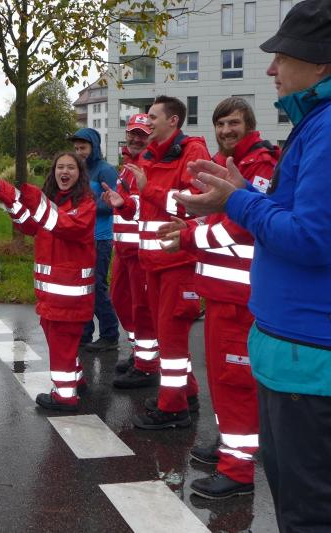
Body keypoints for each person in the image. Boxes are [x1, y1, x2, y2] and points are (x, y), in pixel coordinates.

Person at [174, 1, 331, 527]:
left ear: (321, 62)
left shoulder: (325, 128)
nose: (270, 69)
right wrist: (244, 195)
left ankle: (236, 465)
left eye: (282, 57)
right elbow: (293, 216)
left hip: (307, 361)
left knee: (308, 513)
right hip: (292, 350)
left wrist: (236, 201)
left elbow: (311, 238)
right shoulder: (314, 125)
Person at [157, 97, 279, 500]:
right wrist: (190, 225)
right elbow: (214, 218)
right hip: (222, 293)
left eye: (233, 123)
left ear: (250, 125)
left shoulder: (259, 165)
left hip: (241, 298)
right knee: (223, 381)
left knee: (235, 382)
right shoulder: (231, 163)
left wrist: (188, 238)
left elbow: (240, 228)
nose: (226, 131)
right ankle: (230, 445)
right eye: (220, 124)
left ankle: (237, 472)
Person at [109, 96, 210, 430]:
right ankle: (186, 394)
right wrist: (125, 205)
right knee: (168, 337)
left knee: (171, 337)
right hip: (152, 262)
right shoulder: (150, 155)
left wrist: (148, 189)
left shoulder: (193, 152)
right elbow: (146, 208)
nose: (148, 123)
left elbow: (195, 204)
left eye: (153, 117)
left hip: (177, 262)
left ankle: (172, 409)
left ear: (173, 120)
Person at [0, 152, 96, 411]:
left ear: (80, 174)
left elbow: (68, 227)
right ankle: (76, 380)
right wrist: (11, 201)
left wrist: (37, 201)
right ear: (53, 172)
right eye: (60, 167)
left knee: (62, 343)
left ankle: (65, 396)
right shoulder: (54, 202)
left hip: (70, 295)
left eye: (71, 167)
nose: (65, 172)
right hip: (51, 295)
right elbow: (30, 226)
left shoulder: (85, 204)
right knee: (60, 342)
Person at [104, 114, 160, 390]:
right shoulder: (127, 166)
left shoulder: (150, 165)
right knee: (120, 300)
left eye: (143, 134)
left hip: (141, 250)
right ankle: (139, 353)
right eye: (133, 133)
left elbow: (148, 207)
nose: (137, 139)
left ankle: (147, 366)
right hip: (123, 251)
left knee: (142, 308)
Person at [70, 128, 120, 353]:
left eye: (83, 148)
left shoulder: (105, 170)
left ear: (94, 147)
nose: (79, 152)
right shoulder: (79, 171)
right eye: (76, 148)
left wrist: (82, 207)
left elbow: (112, 204)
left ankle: (110, 335)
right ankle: (85, 333)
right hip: (80, 238)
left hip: (100, 238)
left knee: (97, 287)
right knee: (82, 288)